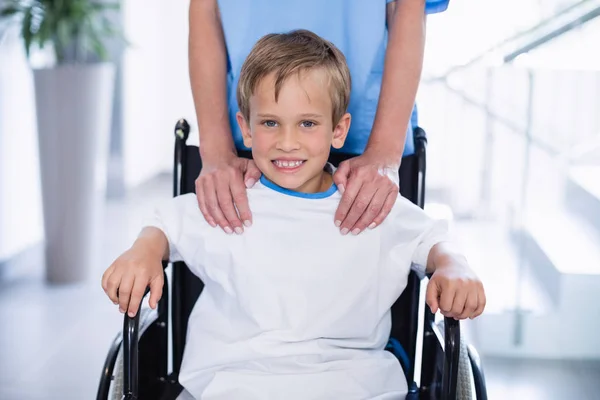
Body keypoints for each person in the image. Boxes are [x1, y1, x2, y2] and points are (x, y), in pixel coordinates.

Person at [102, 30, 484, 399]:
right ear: (246, 130)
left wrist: (453, 265)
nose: (287, 142)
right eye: (270, 123)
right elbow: (166, 224)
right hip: (231, 385)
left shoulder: (369, 204)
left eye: (307, 123)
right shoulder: (228, 199)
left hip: (353, 386)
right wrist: (144, 250)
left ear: (338, 130)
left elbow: (431, 239)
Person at [188, 0, 449, 237]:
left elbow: (408, 6)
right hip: (248, 141)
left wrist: (384, 152)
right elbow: (205, 8)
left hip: (370, 136)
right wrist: (216, 151)